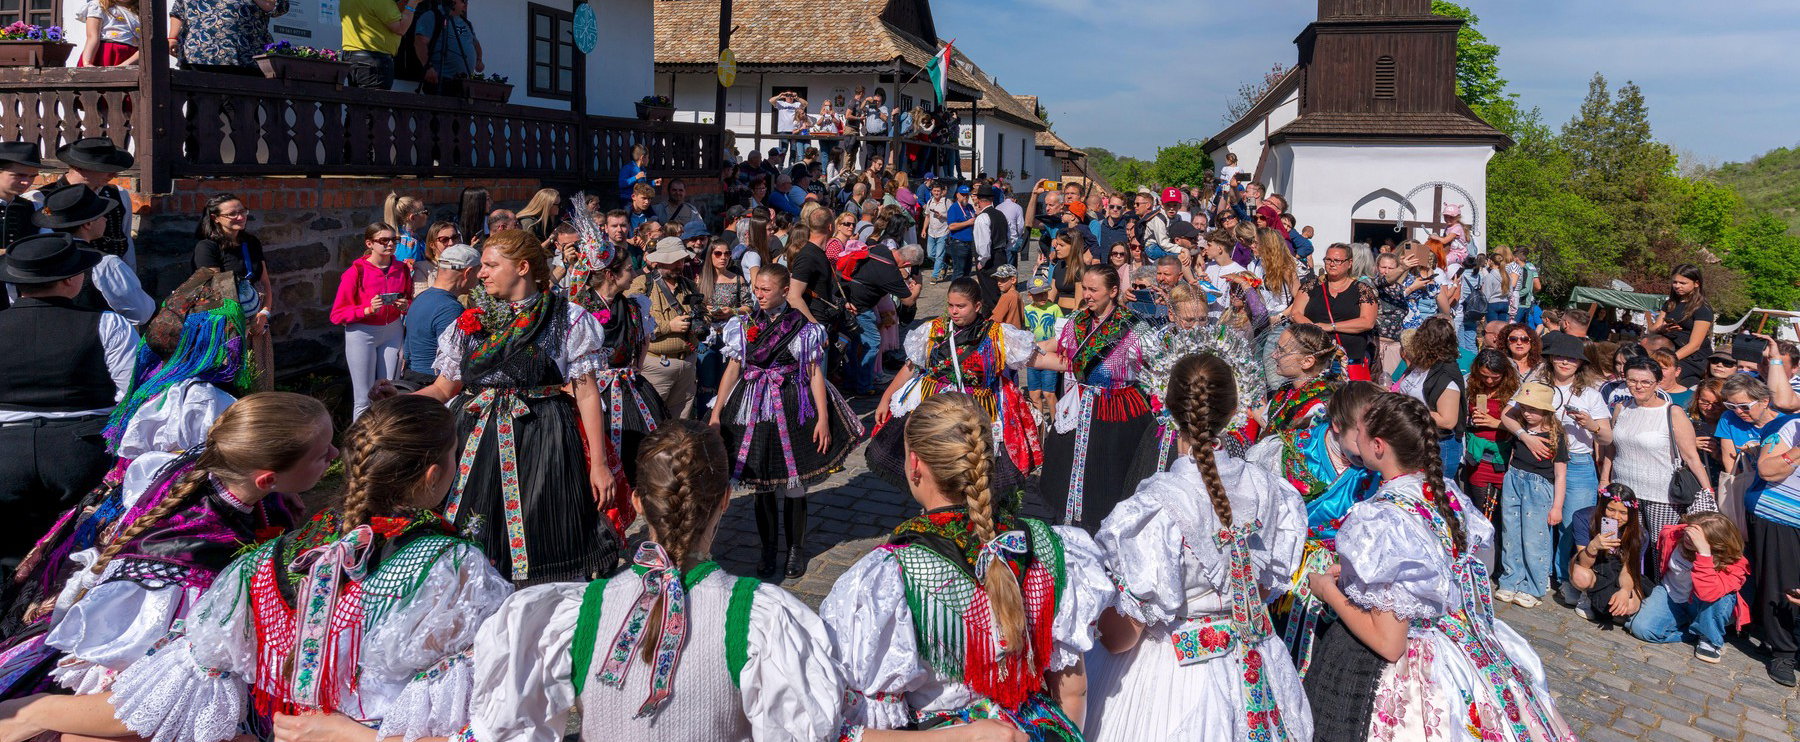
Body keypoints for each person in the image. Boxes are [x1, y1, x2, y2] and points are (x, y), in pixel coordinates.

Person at [106, 395, 512, 742]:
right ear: (433, 474)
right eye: (454, 454)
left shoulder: (263, 562)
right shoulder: (452, 566)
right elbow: (495, 721)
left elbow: (185, 681)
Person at [465, 420, 846, 741]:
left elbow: (505, 726)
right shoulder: (758, 618)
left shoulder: (575, 614)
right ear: (725, 499)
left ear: (637, 503)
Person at [821, 392, 1111, 741]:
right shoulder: (1051, 548)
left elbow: (865, 722)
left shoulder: (889, 576)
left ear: (914, 465)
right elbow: (1072, 690)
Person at [0, 392, 322, 704]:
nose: (335, 455)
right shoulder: (188, 562)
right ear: (266, 478)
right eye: (322, 456)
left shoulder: (213, 468)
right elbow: (144, 676)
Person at [1304, 393, 1573, 741]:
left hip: (1418, 667)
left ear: (1380, 446)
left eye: (1360, 433)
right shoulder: (1446, 493)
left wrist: (1328, 591)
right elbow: (1460, 569)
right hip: (1467, 641)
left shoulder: (1381, 518)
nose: (1356, 439)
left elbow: (1389, 643)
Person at [1086, 353, 1312, 742]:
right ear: (1234, 410)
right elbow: (1259, 591)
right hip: (1255, 667)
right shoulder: (1271, 490)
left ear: (1169, 409)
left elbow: (1126, 633)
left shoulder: (1155, 505)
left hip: (1174, 676)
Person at [391, 229, 623, 584]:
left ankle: (539, 602)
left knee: (542, 522)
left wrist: (600, 466)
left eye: (490, 265)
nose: (480, 273)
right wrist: (397, 406)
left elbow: (587, 392)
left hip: (542, 437)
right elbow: (443, 387)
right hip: (475, 438)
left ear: (523, 267)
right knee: (475, 518)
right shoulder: (468, 323)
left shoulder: (566, 318)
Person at [710, 265, 861, 580]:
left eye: (766, 290)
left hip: (792, 404)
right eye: (757, 288)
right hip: (754, 406)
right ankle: (768, 549)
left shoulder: (804, 329)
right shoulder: (743, 325)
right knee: (763, 482)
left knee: (794, 483)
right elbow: (733, 369)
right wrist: (716, 412)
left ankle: (795, 549)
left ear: (783, 291)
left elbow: (815, 374)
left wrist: (822, 418)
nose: (759, 295)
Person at [0, 234, 137, 575]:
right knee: (80, 559)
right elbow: (134, 392)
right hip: (83, 449)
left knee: (7, 557)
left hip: (5, 452)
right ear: (70, 280)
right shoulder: (107, 323)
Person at [870, 276, 1044, 501]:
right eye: (950, 305)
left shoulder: (998, 334)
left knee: (970, 467)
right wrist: (885, 398)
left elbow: (1036, 358)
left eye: (961, 306)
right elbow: (910, 367)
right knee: (937, 465)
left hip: (977, 410)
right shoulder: (932, 330)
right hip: (936, 409)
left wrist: (1067, 361)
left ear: (977, 306)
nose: (954, 311)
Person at [1038, 268, 1157, 532]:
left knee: (1106, 467)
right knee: (1065, 462)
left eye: (1094, 290)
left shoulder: (1134, 326)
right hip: (1079, 400)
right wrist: (1027, 347)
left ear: (1113, 292)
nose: (1087, 295)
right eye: (1085, 289)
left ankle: (1104, 526)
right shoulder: (1079, 321)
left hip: (1117, 406)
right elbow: (1060, 346)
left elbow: (1155, 363)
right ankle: (1068, 521)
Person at [1502, 332, 1611, 600]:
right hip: (1536, 462)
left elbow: (1607, 437)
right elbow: (1507, 416)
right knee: (1529, 524)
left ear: (1580, 363)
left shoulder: (1590, 394)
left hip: (1576, 462)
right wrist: (1525, 437)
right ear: (1551, 358)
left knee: (1571, 525)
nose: (1565, 362)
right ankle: (1530, 576)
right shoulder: (1536, 383)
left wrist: (1591, 425)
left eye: (1572, 358)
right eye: (1560, 356)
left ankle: (1567, 578)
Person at [1604, 356, 1716, 565]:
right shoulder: (1621, 408)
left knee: (1659, 549)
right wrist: (1604, 480)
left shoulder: (1672, 412)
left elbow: (1691, 457)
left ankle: (1656, 591)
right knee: (1622, 544)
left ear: (1656, 383)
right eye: (1632, 380)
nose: (1638, 386)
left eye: (1645, 381)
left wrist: (1707, 492)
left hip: (1661, 495)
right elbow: (1611, 448)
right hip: (1624, 489)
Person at [1623, 511, 1749, 665]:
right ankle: (1691, 633)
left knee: (1723, 597)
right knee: (1641, 629)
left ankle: (1710, 638)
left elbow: (1708, 594)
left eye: (1696, 538)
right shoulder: (1674, 536)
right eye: (1689, 532)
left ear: (1716, 542)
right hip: (1672, 594)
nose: (1688, 538)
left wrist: (1704, 554)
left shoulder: (1735, 564)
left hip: (1705, 604)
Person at [24, 185, 154, 325]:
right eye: (102, 215)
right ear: (88, 224)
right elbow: (141, 313)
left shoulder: (33, 257)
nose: (105, 220)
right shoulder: (105, 263)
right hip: (90, 339)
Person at [1494, 382, 1568, 608]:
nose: (1527, 413)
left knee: (1534, 537)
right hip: (1515, 479)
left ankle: (1534, 585)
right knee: (1511, 531)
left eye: (1533, 409)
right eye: (1524, 408)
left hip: (1539, 486)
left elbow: (1561, 474)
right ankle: (1511, 578)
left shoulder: (1556, 435)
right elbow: (1508, 419)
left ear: (1546, 410)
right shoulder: (1522, 430)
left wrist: (1557, 506)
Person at [330, 222, 411, 419]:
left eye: (394, 240)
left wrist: (404, 305)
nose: (390, 244)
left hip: (392, 330)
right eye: (384, 240)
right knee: (363, 398)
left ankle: (386, 439)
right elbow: (337, 315)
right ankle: (358, 446)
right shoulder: (356, 271)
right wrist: (367, 309)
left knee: (391, 392)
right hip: (362, 333)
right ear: (370, 243)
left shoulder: (402, 268)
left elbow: (408, 297)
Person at [630, 237, 704, 418]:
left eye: (681, 260)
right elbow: (634, 324)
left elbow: (702, 315)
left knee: (680, 425)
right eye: (674, 261)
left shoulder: (689, 285)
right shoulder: (642, 284)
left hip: (687, 363)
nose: (679, 265)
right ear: (660, 261)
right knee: (651, 419)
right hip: (656, 364)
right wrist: (668, 326)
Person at [1752, 408, 1800, 686]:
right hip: (1781, 515)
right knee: (1782, 585)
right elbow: (1767, 470)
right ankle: (1782, 651)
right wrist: (1796, 451)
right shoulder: (1791, 426)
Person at [37, 139, 135, 268]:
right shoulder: (41, 199)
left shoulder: (119, 194)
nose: (115, 175)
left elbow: (125, 239)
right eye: (106, 168)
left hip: (114, 278)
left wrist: (130, 276)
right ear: (79, 167)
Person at [1290, 244, 1377, 380]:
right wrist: (1315, 330)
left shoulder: (1362, 289)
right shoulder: (1311, 286)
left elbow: (1367, 322)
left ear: (1349, 263)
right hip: (1316, 358)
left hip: (1350, 360)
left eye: (1337, 261)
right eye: (1328, 260)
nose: (1332, 264)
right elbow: (1296, 313)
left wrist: (1331, 326)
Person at [400, 243, 479, 385]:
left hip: (412, 378)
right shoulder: (450, 309)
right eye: (478, 272)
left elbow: (407, 352)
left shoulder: (420, 298)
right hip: (434, 384)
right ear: (467, 273)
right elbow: (455, 361)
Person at [1568, 484, 1646, 622]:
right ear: (1602, 506)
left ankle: (1613, 607)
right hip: (1594, 568)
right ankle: (1585, 595)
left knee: (1631, 605)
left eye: (1623, 513)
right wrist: (1593, 546)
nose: (1616, 517)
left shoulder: (1639, 534)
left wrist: (1625, 590)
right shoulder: (1583, 517)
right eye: (1610, 509)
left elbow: (1628, 570)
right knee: (1580, 575)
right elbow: (1583, 564)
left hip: (1619, 572)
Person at [1465, 349, 1522, 523]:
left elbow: (1525, 426)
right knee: (1479, 508)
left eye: (1495, 377)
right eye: (1484, 376)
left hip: (1503, 456)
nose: (1489, 381)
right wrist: (1471, 420)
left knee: (1501, 513)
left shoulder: (1514, 391)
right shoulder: (1471, 385)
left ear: (1505, 374)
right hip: (1477, 456)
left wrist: (1496, 423)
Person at [696, 236, 750, 414]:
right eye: (718, 253)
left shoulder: (737, 279)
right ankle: (705, 417)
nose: (723, 257)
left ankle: (724, 415)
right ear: (710, 255)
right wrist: (706, 309)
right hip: (707, 337)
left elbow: (749, 306)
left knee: (726, 379)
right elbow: (693, 307)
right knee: (706, 381)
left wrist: (731, 312)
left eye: (727, 253)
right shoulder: (700, 280)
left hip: (730, 337)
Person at [167, 0, 286, 72]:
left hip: (243, 59)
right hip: (198, 57)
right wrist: (172, 37)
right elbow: (178, 11)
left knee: (241, 110)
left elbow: (279, 8)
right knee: (200, 109)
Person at [1650, 264, 1715, 385]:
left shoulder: (1702, 309)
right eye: (1675, 282)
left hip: (1692, 358)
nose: (1677, 286)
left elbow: (1695, 345)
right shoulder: (1670, 303)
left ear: (1696, 283)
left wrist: (1669, 360)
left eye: (1683, 283)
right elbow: (1652, 330)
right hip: (1668, 351)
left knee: (1662, 379)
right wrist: (1662, 329)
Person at [339, 0, 415, 89]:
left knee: (357, 100)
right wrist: (412, 4)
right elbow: (401, 28)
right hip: (373, 60)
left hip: (351, 58)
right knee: (374, 101)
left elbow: (377, 14)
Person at [413, 0, 481, 94]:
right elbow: (420, 42)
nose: (466, 6)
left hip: (463, 83)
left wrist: (479, 60)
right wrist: (428, 67)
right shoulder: (432, 16)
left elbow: (476, 44)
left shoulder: (466, 23)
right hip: (441, 81)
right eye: (463, 2)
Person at [79, 0, 141, 66]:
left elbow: (145, 46)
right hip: (106, 54)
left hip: (131, 57)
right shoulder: (99, 5)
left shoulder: (141, 12)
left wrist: (126, 64)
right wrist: (87, 62)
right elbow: (92, 36)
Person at [384, 192, 430, 268]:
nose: (427, 215)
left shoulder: (408, 237)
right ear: (412, 218)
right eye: (425, 212)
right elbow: (410, 275)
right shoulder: (409, 244)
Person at [944, 185, 978, 279]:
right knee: (959, 272)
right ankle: (955, 292)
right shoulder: (954, 208)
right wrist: (967, 222)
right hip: (959, 243)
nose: (965, 197)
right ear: (957, 195)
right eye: (963, 195)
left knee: (967, 271)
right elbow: (951, 226)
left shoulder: (970, 207)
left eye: (967, 195)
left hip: (970, 243)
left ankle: (964, 292)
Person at [923, 180, 951, 282]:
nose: (936, 193)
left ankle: (934, 276)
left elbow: (952, 217)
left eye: (938, 191)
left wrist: (942, 216)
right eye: (934, 191)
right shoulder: (930, 202)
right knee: (930, 254)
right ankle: (944, 265)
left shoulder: (947, 202)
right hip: (931, 232)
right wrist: (924, 229)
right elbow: (927, 217)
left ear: (942, 191)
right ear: (932, 191)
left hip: (943, 232)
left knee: (939, 255)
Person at [989, 264, 1024, 329]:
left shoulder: (1006, 296)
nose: (999, 283)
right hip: (1017, 331)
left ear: (1013, 280)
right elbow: (1022, 316)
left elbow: (996, 318)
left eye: (1002, 280)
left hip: (1006, 334)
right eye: (998, 280)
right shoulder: (1017, 294)